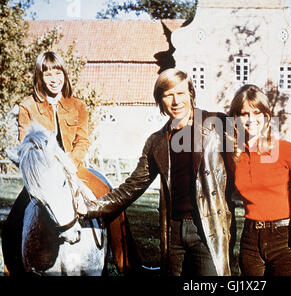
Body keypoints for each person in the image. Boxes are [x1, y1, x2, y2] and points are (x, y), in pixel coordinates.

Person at [83, 68, 235, 276]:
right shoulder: (157, 141)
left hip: (209, 229)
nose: (176, 101)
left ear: (191, 94)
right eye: (168, 95)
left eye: (180, 93)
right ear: (160, 101)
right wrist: (91, 208)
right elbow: (132, 186)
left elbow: (251, 150)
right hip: (173, 233)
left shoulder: (217, 124)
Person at [1, 51, 141, 275]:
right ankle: (13, 266)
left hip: (75, 168)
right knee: (13, 220)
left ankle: (123, 259)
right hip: (44, 175)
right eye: (48, 74)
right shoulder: (27, 106)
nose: (54, 79)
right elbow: (25, 143)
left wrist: (69, 164)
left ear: (64, 75)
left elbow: (82, 140)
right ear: (39, 77)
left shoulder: (78, 105)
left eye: (58, 73)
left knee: (108, 197)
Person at [227, 84, 291, 276]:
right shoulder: (232, 156)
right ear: (235, 118)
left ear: (266, 116)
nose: (251, 119)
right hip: (250, 240)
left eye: (256, 113)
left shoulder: (284, 149)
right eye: (244, 114)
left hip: (286, 240)